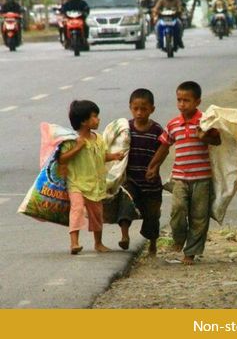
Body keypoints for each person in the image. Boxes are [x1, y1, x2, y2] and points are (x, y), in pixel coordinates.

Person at [146, 81, 220, 265]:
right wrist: (153, 166)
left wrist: (205, 136)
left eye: (186, 100)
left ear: (197, 101)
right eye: (179, 100)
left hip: (202, 178)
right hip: (180, 177)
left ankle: (191, 252)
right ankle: (179, 238)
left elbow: (218, 140)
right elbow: (164, 146)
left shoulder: (205, 121)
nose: (181, 104)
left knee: (199, 216)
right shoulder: (173, 124)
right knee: (177, 210)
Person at [103, 89, 165, 255]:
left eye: (143, 109)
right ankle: (124, 236)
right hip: (130, 179)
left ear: (152, 109)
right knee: (125, 203)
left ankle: (152, 243)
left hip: (151, 181)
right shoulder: (126, 130)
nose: (139, 112)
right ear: (130, 107)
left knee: (153, 215)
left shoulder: (157, 130)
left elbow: (163, 150)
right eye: (135, 108)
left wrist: (155, 166)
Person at [59, 100, 124, 255]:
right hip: (76, 183)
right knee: (76, 209)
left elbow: (101, 157)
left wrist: (114, 156)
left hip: (95, 185)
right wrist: (78, 147)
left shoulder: (99, 139)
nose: (98, 119)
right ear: (83, 121)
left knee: (97, 214)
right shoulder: (72, 140)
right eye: (94, 116)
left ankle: (98, 243)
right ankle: (74, 243)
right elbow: (62, 159)